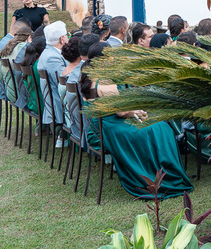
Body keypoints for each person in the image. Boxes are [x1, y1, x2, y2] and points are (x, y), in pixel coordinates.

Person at [79, 71, 193, 199]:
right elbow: (121, 113)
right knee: (159, 128)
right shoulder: (105, 82)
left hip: (97, 129)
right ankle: (162, 175)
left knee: (153, 128)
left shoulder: (89, 79)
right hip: (109, 131)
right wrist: (136, 112)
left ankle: (157, 171)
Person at [37, 21, 69, 129]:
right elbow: (64, 83)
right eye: (66, 35)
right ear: (62, 39)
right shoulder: (52, 58)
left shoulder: (49, 52)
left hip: (57, 99)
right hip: (59, 104)